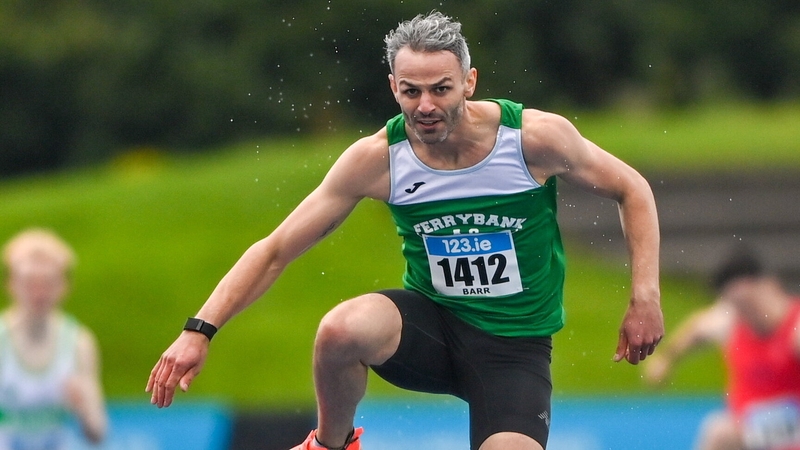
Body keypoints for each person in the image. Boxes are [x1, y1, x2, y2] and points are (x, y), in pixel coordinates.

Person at [146, 11, 663, 450]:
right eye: (411, 92)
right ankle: (330, 444)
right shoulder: (378, 160)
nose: (426, 107)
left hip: (514, 347)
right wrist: (200, 329)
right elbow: (277, 249)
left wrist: (644, 295)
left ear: (470, 81)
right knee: (340, 330)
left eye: (441, 89)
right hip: (429, 326)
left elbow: (633, 189)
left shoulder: (532, 139)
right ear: (393, 87)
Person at [644, 245, 800, 450]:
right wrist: (665, 359)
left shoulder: (795, 330)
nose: (746, 314)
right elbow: (697, 328)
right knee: (720, 430)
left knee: (719, 432)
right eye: (737, 306)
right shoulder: (733, 320)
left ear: (767, 285)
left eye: (748, 303)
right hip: (749, 429)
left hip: (794, 426)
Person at [0, 228, 107, 449]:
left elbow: (97, 433)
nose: (39, 293)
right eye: (30, 282)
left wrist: (83, 408)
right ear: (11, 284)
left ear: (64, 287)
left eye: (47, 283)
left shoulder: (79, 343)